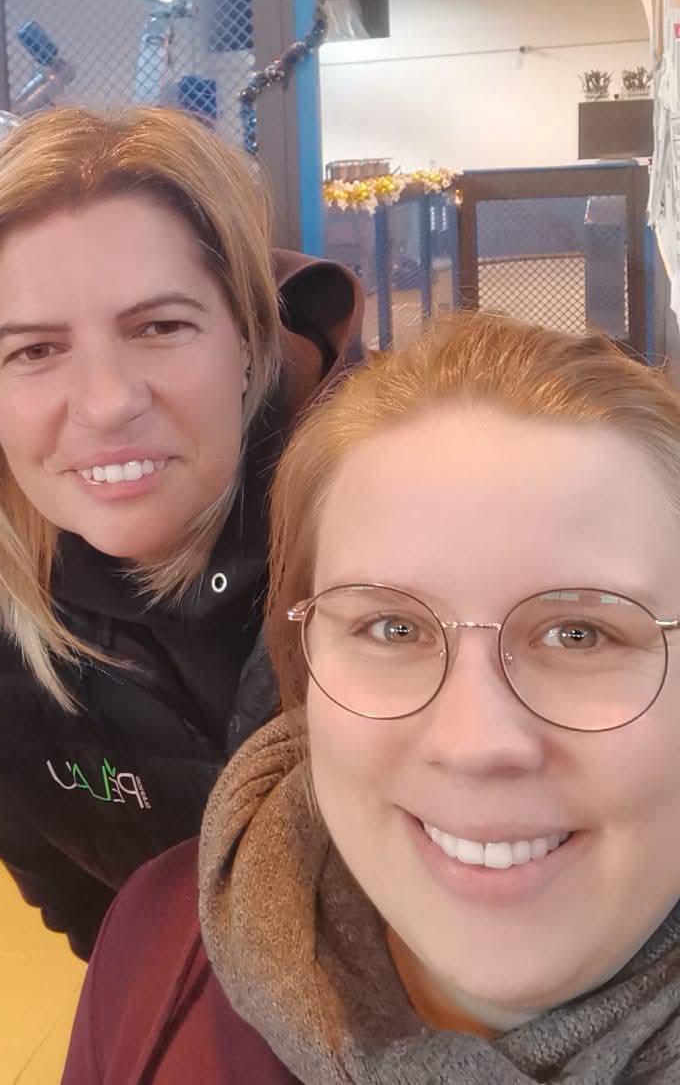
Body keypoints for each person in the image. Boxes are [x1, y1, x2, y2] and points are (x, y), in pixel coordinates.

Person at [64, 311, 680, 1084]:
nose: (475, 741)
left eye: (579, 634)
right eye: (393, 627)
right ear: (302, 672)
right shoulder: (157, 947)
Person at [0, 106, 361, 956]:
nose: (108, 402)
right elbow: (82, 904)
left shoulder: (399, 515)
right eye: (36, 350)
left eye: (160, 327)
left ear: (248, 337)